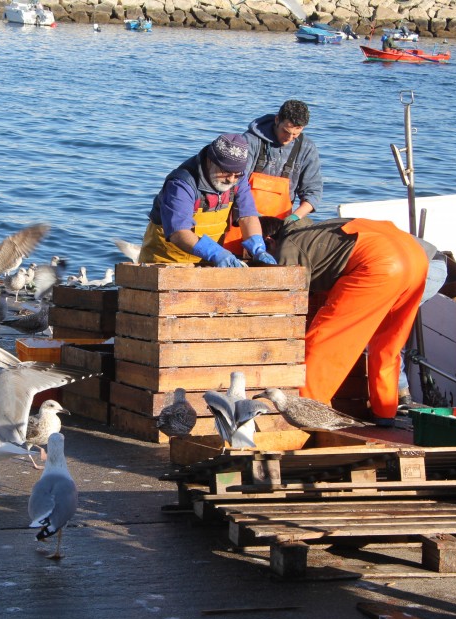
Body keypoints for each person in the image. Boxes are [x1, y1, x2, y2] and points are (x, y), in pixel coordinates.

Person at [260, 216, 430, 426]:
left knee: (325, 342)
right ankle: (385, 414)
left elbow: (286, 305)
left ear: (269, 241)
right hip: (416, 258)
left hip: (380, 263)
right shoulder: (315, 231)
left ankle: (309, 413)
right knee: (388, 345)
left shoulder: (287, 247)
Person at [138, 133, 275, 267]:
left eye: (237, 175)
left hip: (207, 263)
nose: (231, 179)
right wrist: (216, 253)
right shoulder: (182, 184)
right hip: (166, 262)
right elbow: (178, 233)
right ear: (210, 161)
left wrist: (258, 249)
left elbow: (248, 216)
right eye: (226, 172)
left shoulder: (238, 178)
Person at [241, 100, 322, 234]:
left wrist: (295, 218)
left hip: (280, 225)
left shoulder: (307, 148)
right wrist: (252, 215)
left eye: (296, 134)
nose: (289, 138)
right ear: (277, 119)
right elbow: (237, 181)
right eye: (286, 131)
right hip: (245, 216)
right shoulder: (250, 140)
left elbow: (313, 192)